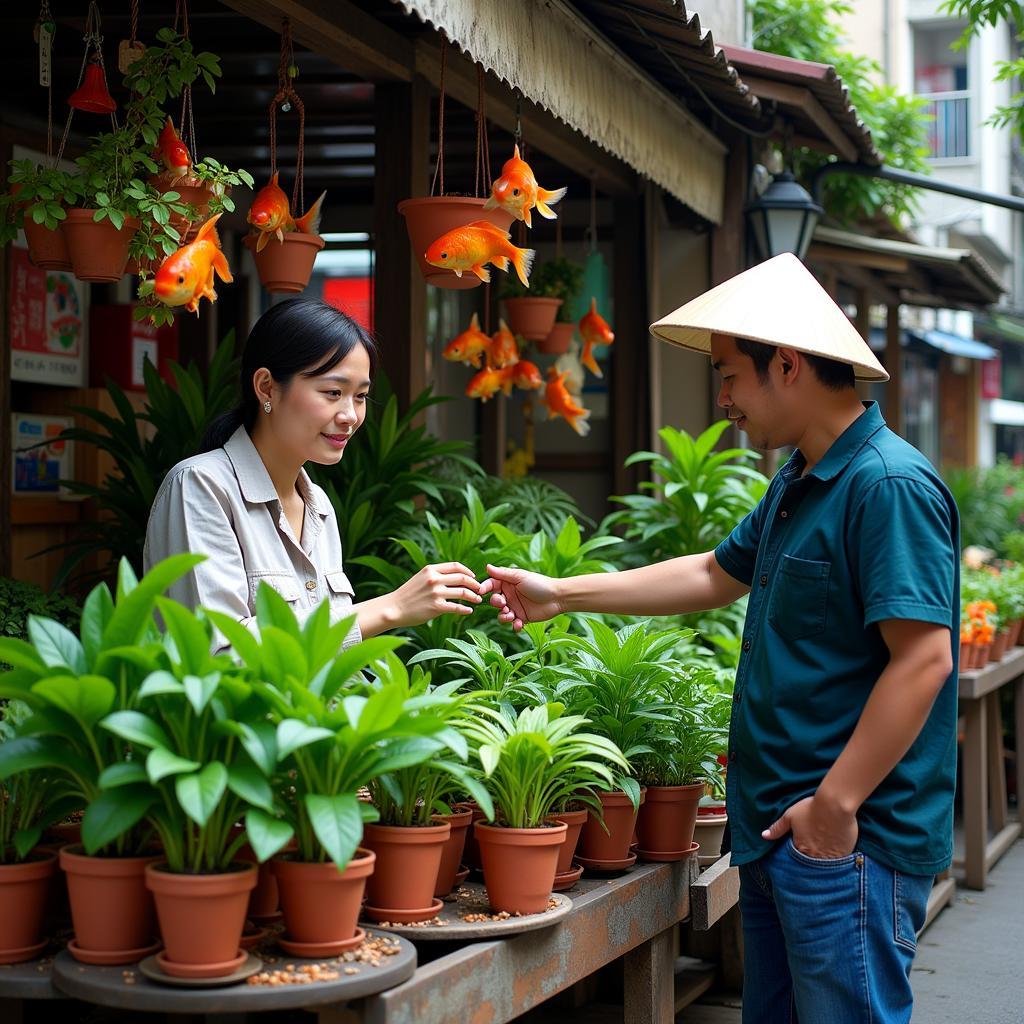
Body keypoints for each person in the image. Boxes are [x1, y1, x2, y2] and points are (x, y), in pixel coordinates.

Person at [482, 253, 959, 1024]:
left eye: (731, 375)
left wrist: (834, 809)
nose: (724, 399)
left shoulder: (886, 485)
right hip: (782, 836)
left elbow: (925, 658)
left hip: (848, 842)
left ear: (790, 365)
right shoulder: (801, 479)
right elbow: (711, 572)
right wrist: (559, 593)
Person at [144, 300, 484, 648]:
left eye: (361, 396)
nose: (350, 415)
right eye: (333, 393)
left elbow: (330, 661)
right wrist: (391, 608)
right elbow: (218, 655)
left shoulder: (318, 505)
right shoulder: (201, 486)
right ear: (266, 387)